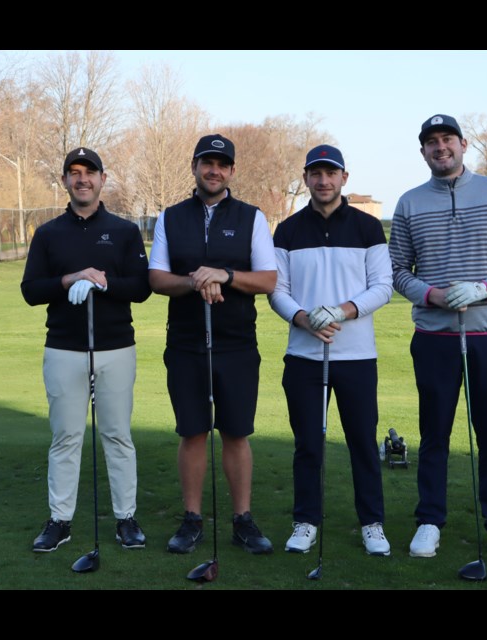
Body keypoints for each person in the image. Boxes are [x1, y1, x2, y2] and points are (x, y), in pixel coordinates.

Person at [388, 115, 487, 561]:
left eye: (447, 139)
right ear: (423, 152)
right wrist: (431, 294)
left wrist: (486, 288)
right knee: (434, 433)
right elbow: (397, 270)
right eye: (431, 142)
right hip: (434, 335)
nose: (440, 147)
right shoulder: (410, 203)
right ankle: (430, 521)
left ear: (463, 143)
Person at [148, 133, 277, 555]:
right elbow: (157, 279)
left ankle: (242, 519)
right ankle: (191, 520)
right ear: (195, 167)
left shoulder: (252, 217)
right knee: (193, 432)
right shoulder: (170, 217)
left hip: (236, 343)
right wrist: (194, 280)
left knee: (237, 433)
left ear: (232, 171)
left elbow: (267, 279)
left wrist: (224, 274)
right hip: (186, 344)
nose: (214, 170)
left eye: (222, 164)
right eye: (207, 162)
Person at [21, 146, 151, 553]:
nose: (82, 179)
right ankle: (60, 520)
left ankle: (126, 518)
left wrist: (102, 281)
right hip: (64, 348)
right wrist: (69, 279)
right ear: (64, 180)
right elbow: (30, 290)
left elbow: (142, 287)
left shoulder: (125, 231)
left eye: (89, 172)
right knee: (66, 436)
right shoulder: (48, 234)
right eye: (74, 172)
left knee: (117, 435)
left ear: (102, 179)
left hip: (115, 347)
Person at [269, 145, 394, 556]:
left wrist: (343, 310)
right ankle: (306, 521)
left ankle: (372, 523)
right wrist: (303, 318)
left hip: (356, 357)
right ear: (305, 178)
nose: (323, 181)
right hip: (304, 356)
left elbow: (382, 286)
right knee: (308, 443)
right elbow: (278, 291)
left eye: (331, 173)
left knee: (362, 440)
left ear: (344, 178)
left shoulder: (366, 227)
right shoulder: (287, 230)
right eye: (315, 173)